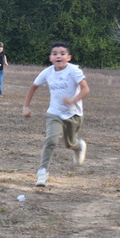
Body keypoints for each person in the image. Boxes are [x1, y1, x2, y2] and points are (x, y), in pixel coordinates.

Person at [22, 42, 89, 187]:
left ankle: (78, 147)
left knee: (69, 143)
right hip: (54, 113)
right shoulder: (47, 72)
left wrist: (73, 100)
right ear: (50, 58)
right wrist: (26, 107)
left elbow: (85, 89)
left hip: (74, 114)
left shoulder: (74, 71)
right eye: (55, 53)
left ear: (69, 57)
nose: (58, 56)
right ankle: (42, 172)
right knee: (51, 140)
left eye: (62, 53)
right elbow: (33, 87)